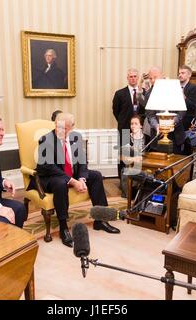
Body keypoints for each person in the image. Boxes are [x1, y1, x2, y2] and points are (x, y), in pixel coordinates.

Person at [33, 113, 120, 248]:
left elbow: (82, 162)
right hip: (51, 178)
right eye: (58, 127)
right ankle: (63, 228)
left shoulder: (76, 138)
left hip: (72, 174)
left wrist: (82, 179)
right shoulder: (45, 140)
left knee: (96, 175)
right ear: (55, 124)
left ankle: (100, 220)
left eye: (65, 128)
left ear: (72, 127)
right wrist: (72, 181)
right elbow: (49, 167)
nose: (61, 131)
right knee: (61, 183)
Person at [112, 68, 145, 183]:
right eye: (131, 76)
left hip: (140, 131)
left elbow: (146, 110)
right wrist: (124, 122)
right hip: (125, 129)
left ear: (138, 77)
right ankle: (123, 182)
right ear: (127, 78)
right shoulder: (119, 93)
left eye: (135, 76)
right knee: (124, 156)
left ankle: (137, 182)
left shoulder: (143, 92)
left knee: (138, 155)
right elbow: (116, 111)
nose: (133, 78)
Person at [120, 115, 149, 198]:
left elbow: (149, 154)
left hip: (145, 166)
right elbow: (123, 158)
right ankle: (129, 195)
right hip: (130, 166)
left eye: (136, 123)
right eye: (132, 124)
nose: (133, 126)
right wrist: (134, 158)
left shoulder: (147, 138)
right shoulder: (126, 137)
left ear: (141, 125)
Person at [179, 65, 196, 131]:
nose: (180, 75)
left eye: (183, 73)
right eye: (179, 73)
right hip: (176, 121)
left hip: (187, 122)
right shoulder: (176, 86)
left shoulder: (194, 87)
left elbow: (194, 106)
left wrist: (184, 97)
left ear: (189, 75)